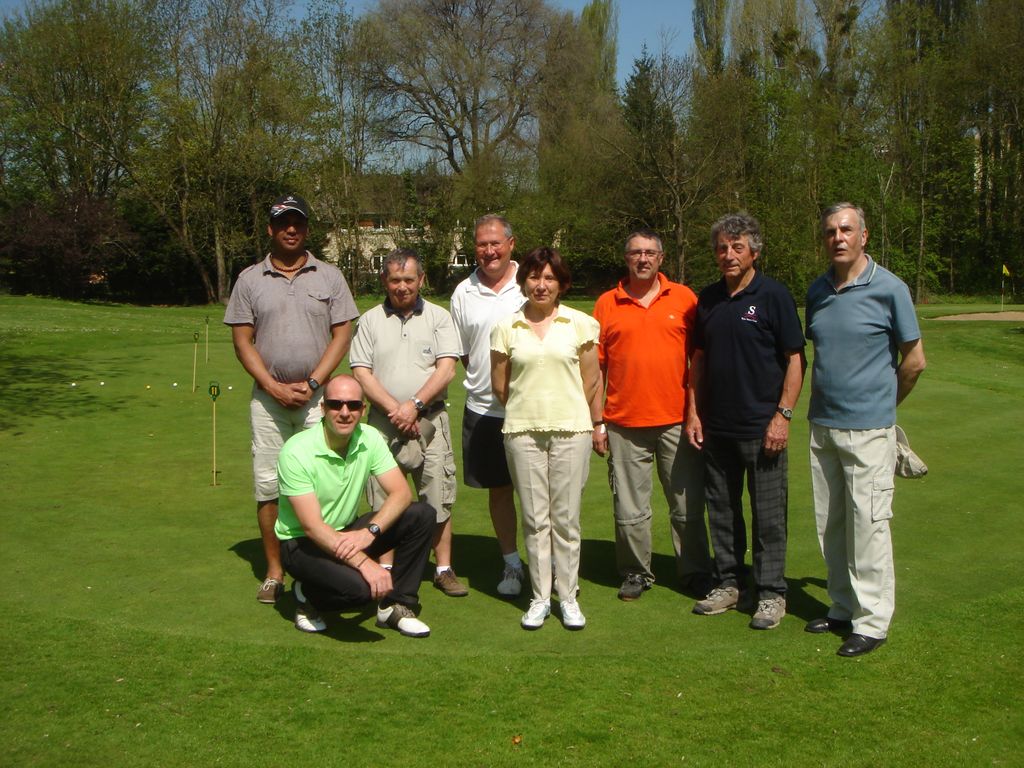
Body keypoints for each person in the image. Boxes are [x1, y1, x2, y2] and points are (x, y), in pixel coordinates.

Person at [224, 194, 359, 605]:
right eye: (283, 222)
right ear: (270, 228)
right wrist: (272, 386)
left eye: (298, 222)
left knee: (323, 484)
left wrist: (315, 383)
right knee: (269, 486)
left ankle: (324, 565)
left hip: (319, 400)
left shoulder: (330, 276)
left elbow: (343, 334)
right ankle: (275, 571)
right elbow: (242, 341)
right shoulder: (249, 279)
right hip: (268, 402)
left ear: (306, 228)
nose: (291, 229)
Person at [804, 203, 926, 657]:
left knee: (869, 526)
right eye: (830, 231)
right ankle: (842, 605)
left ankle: (872, 622)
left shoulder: (890, 288)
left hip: (870, 430)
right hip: (823, 425)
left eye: (846, 229)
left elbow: (914, 361)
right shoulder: (818, 290)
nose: (838, 237)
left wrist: (883, 407)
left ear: (863, 236)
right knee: (831, 523)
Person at [686, 213, 805, 630]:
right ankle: (729, 583)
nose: (728, 254)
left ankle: (771, 592)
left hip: (762, 427)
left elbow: (795, 359)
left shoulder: (773, 295)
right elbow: (698, 360)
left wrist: (782, 416)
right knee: (721, 511)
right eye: (722, 247)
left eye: (737, 247)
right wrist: (694, 412)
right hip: (717, 428)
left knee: (768, 517)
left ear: (754, 252)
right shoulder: (708, 299)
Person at [592, 229, 713, 602]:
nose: (642, 259)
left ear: (661, 258)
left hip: (676, 421)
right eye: (635, 253)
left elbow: (699, 360)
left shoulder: (684, 298)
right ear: (626, 258)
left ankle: (694, 571)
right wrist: (597, 422)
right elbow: (596, 370)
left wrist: (697, 412)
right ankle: (635, 572)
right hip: (624, 424)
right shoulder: (606, 303)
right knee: (630, 509)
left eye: (649, 253)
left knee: (687, 506)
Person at [490, 247, 603, 630]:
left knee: (566, 520)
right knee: (535, 520)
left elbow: (591, 379)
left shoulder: (580, 324)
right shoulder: (506, 327)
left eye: (549, 278)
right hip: (522, 432)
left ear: (561, 283)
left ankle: (567, 597)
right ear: (524, 282)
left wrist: (566, 409)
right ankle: (540, 598)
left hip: (572, 431)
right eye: (534, 277)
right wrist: (530, 409)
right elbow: (500, 385)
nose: (541, 285)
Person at [275, 375, 435, 637]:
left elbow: (401, 493)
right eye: (335, 404)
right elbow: (312, 527)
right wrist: (365, 563)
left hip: (347, 532)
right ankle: (308, 595)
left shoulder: (369, 437)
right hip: (302, 543)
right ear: (323, 408)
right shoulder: (296, 451)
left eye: (353, 405)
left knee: (422, 515)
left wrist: (370, 531)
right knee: (361, 590)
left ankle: (396, 605)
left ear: (363, 409)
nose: (344, 412)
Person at [349, 248, 468, 597]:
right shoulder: (369, 320)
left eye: (409, 280)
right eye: (395, 280)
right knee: (383, 498)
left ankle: (443, 569)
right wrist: (397, 411)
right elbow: (362, 373)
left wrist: (414, 406)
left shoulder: (439, 317)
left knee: (438, 494)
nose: (402, 287)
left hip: (430, 421)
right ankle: (386, 567)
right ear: (384, 280)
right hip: (382, 425)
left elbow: (447, 369)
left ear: (421, 280)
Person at [450, 214, 526, 596]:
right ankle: (512, 563)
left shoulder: (532, 282)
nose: (489, 251)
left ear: (511, 244)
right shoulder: (463, 293)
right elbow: (466, 353)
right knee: (499, 489)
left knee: (541, 493)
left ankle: (550, 564)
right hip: (484, 410)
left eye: (496, 243)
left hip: (531, 409)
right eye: (482, 244)